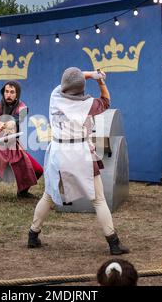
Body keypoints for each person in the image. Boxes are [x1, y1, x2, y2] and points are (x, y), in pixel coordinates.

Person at [27, 67, 130, 255]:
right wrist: (100, 81)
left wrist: (90, 74)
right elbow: (106, 100)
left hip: (58, 152)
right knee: (98, 200)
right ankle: (113, 243)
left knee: (49, 196)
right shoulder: (88, 104)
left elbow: (71, 80)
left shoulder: (55, 95)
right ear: (81, 86)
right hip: (80, 153)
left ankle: (33, 235)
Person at [0, 81, 43, 198]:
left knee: (38, 170)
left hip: (13, 146)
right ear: (3, 93)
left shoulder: (22, 108)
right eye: (6, 92)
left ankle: (22, 191)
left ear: (17, 94)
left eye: (12, 92)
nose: (9, 95)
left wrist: (5, 124)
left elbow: (17, 119)